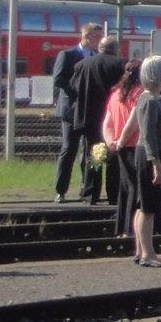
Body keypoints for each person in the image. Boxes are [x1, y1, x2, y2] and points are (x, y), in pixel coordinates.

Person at [118, 55, 161, 266]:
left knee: (144, 205)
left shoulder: (151, 98)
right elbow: (149, 135)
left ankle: (141, 251)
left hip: (150, 154)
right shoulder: (150, 100)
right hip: (151, 155)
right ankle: (148, 254)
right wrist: (157, 166)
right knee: (148, 207)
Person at [50, 21, 102, 203]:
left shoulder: (97, 57)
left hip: (91, 111)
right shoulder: (68, 55)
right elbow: (58, 79)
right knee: (69, 149)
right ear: (86, 36)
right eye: (97, 37)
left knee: (92, 151)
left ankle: (88, 190)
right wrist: (78, 90)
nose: (100, 40)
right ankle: (61, 190)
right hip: (71, 110)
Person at [70, 34, 125, 206]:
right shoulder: (121, 64)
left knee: (92, 155)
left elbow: (73, 87)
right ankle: (113, 194)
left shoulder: (82, 65)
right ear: (115, 49)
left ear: (100, 48)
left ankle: (90, 194)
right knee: (113, 156)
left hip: (89, 118)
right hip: (112, 118)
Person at [102, 59, 143, 241]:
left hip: (120, 147)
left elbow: (107, 123)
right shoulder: (139, 93)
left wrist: (111, 141)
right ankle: (130, 230)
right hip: (135, 145)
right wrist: (122, 141)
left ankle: (121, 228)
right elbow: (133, 122)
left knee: (124, 188)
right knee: (135, 188)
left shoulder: (115, 93)